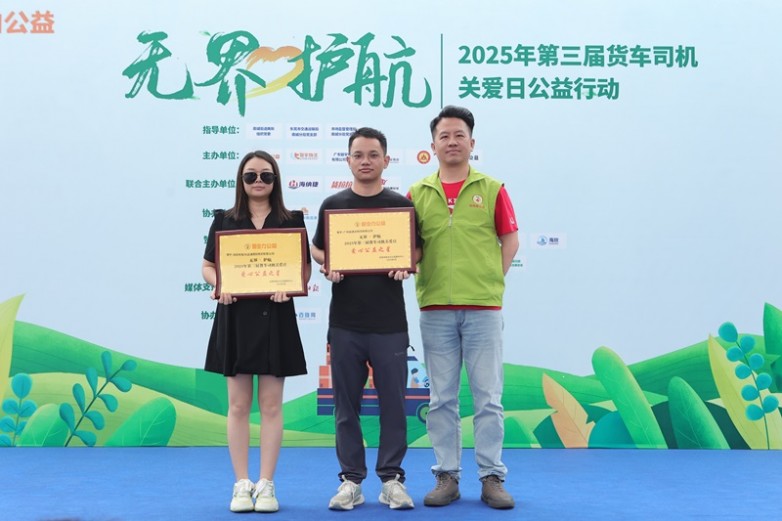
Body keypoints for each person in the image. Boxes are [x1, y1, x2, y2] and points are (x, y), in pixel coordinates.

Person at [408, 106, 519, 510]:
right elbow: (409, 249)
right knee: (441, 399)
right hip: (435, 308)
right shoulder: (417, 194)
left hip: (483, 310)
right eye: (444, 136)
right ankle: (447, 476)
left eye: (459, 135)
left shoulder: (491, 188)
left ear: (472, 142)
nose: (452, 142)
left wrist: (489, 281)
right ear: (433, 145)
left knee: (488, 397)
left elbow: (510, 240)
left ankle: (492, 477)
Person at [311, 127, 421, 511]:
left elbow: (417, 251)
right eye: (358, 155)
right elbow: (318, 249)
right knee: (346, 406)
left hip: (390, 325)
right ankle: (351, 481)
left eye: (373, 154)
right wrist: (330, 263)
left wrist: (406, 264)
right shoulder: (333, 204)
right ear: (348, 160)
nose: (366, 161)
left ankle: (391, 479)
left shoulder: (401, 207)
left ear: (386, 160)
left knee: (394, 405)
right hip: (345, 324)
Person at [202, 150, 311, 513]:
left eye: (266, 175)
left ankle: (266, 484)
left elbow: (303, 270)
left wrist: (290, 286)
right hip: (234, 317)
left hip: (276, 318)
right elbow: (208, 266)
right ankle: (241, 483)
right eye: (251, 176)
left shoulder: (292, 220)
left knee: (271, 405)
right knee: (237, 405)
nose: (259, 181)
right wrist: (219, 285)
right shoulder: (224, 220)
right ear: (241, 180)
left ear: (275, 180)